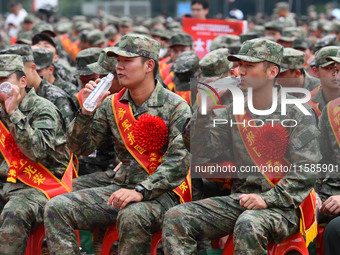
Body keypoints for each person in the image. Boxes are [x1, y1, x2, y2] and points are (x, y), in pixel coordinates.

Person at [162, 39, 321, 255]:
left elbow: (306, 171)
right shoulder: (234, 110)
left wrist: (267, 199)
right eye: (240, 65)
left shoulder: (297, 112)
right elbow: (202, 151)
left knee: (249, 223)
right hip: (243, 199)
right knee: (177, 217)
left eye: (250, 66)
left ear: (272, 71)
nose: (240, 72)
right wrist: (202, 110)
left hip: (286, 206)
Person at [43, 34, 191, 255]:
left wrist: (142, 190)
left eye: (127, 61)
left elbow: (178, 162)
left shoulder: (176, 107)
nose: (118, 67)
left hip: (164, 193)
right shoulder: (112, 104)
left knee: (133, 214)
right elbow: (79, 149)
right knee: (57, 207)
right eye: (118, 61)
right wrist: (87, 111)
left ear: (149, 65)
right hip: (121, 188)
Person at [0, 54, 71, 254]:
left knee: (16, 212)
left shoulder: (43, 110)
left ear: (23, 81)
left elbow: (37, 152)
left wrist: (14, 113)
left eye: (4, 81)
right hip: (6, 182)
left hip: (41, 185)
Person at [0, 44, 77, 126]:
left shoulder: (57, 98)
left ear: (33, 68)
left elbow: (70, 135)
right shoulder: (12, 96)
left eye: (18, 71)